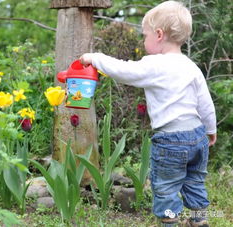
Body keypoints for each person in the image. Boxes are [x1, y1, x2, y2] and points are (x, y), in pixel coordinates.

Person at [79, 1, 217, 226]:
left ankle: (169, 222)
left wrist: (94, 58)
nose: (144, 41)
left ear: (159, 34)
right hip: (197, 136)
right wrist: (210, 130)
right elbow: (205, 104)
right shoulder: (191, 66)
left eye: (145, 35)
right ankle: (199, 220)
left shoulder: (155, 65)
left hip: (171, 141)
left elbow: (123, 70)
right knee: (194, 182)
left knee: (166, 188)